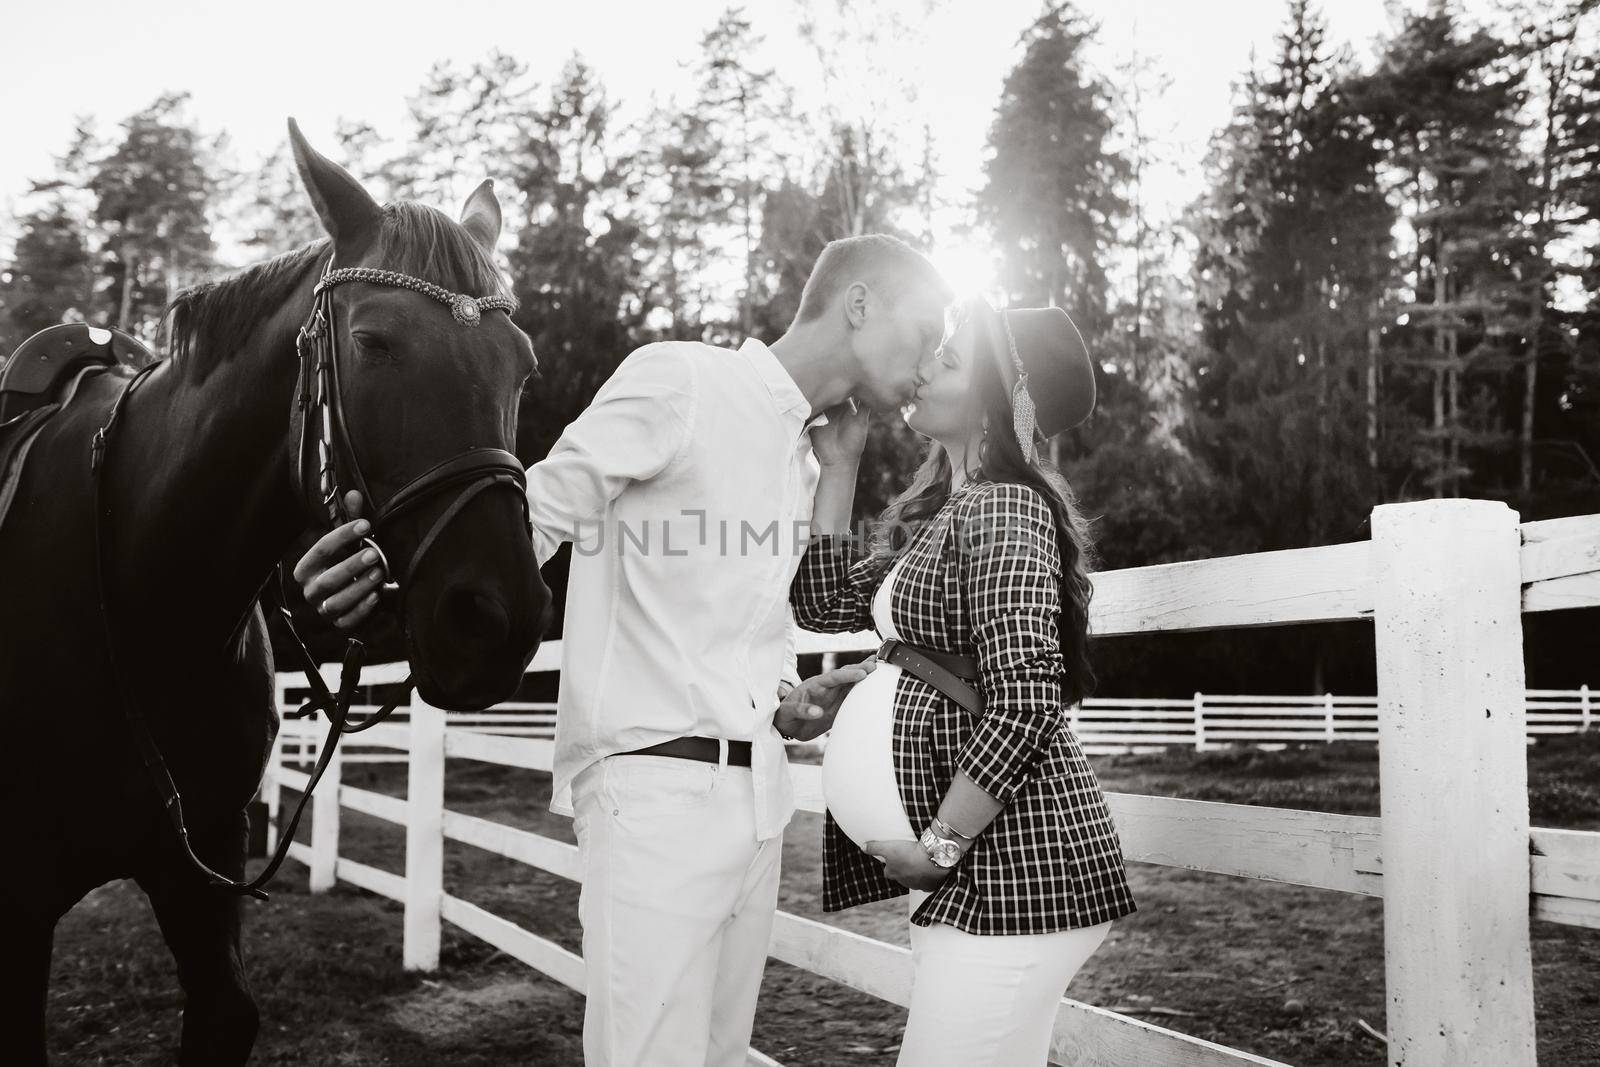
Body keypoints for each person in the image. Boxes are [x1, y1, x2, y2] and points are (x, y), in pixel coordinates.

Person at [293, 234, 953, 1067]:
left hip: (757, 807)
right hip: (655, 796)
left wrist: (788, 698)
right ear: (859, 305)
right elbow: (533, 513)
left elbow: (742, 622)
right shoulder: (681, 379)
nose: (932, 357)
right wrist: (385, 579)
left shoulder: (805, 451)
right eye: (926, 329)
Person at [790, 295, 1138, 1066]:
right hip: (975, 875)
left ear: (999, 395)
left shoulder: (1007, 506)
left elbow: (1025, 695)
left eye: (947, 360)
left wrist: (943, 845)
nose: (922, 369)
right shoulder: (951, 511)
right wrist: (839, 463)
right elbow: (821, 603)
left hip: (1017, 868)